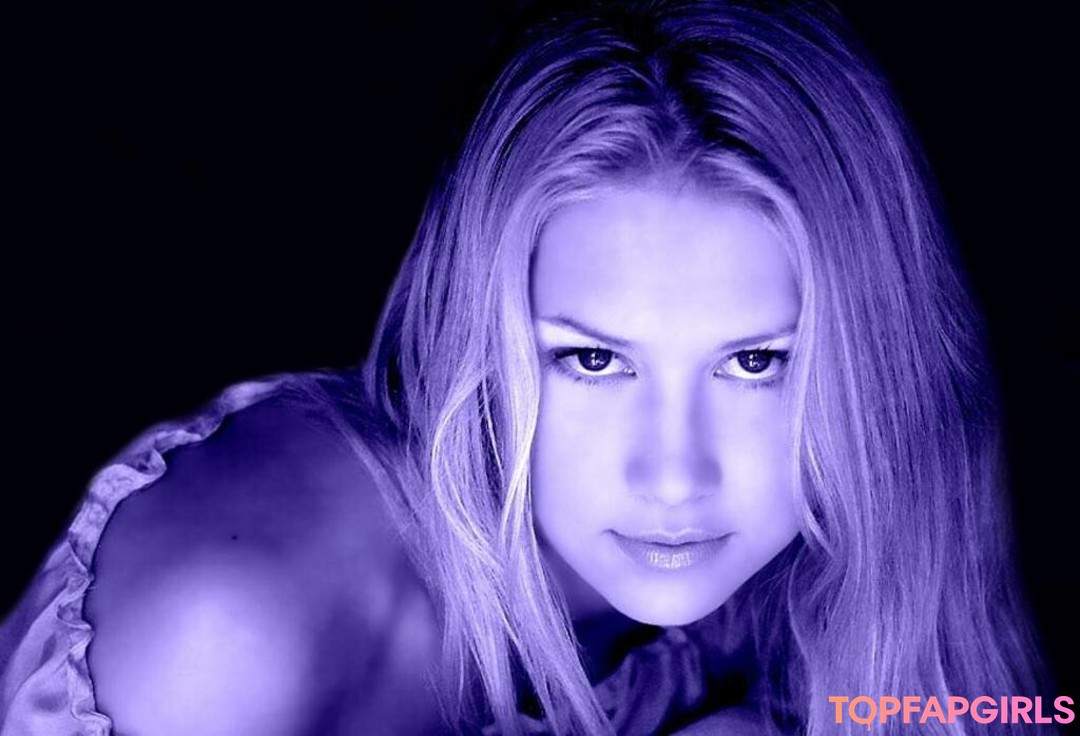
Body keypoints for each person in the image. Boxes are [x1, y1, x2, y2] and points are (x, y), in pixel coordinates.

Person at [0, 0, 1061, 734]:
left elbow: (1002, 710)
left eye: (755, 363)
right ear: (480, 337)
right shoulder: (239, 624)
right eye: (593, 359)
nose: (674, 478)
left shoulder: (846, 537)